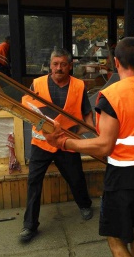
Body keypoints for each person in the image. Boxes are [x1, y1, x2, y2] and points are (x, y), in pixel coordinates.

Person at [44, 37, 134, 257]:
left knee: (115, 241)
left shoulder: (113, 96)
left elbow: (104, 145)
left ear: (116, 62)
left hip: (122, 180)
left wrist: (64, 142)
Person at [19, 48, 94, 243]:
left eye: (62, 64)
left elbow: (86, 113)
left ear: (70, 66)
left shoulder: (79, 86)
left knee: (76, 177)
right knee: (34, 183)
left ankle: (85, 205)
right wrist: (44, 126)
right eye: (55, 64)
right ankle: (29, 226)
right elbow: (27, 108)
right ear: (50, 65)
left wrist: (83, 130)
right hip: (41, 144)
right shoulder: (37, 83)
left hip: (67, 143)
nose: (58, 68)